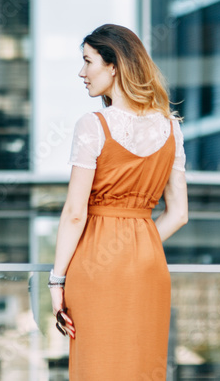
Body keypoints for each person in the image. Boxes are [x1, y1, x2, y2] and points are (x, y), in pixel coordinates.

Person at [50, 23, 189, 381]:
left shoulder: (93, 125)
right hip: (148, 265)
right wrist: (138, 245)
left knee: (97, 366)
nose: (82, 73)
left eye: (88, 62)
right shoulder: (172, 128)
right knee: (143, 365)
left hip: (95, 264)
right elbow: (179, 214)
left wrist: (56, 282)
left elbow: (75, 214)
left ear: (114, 65)